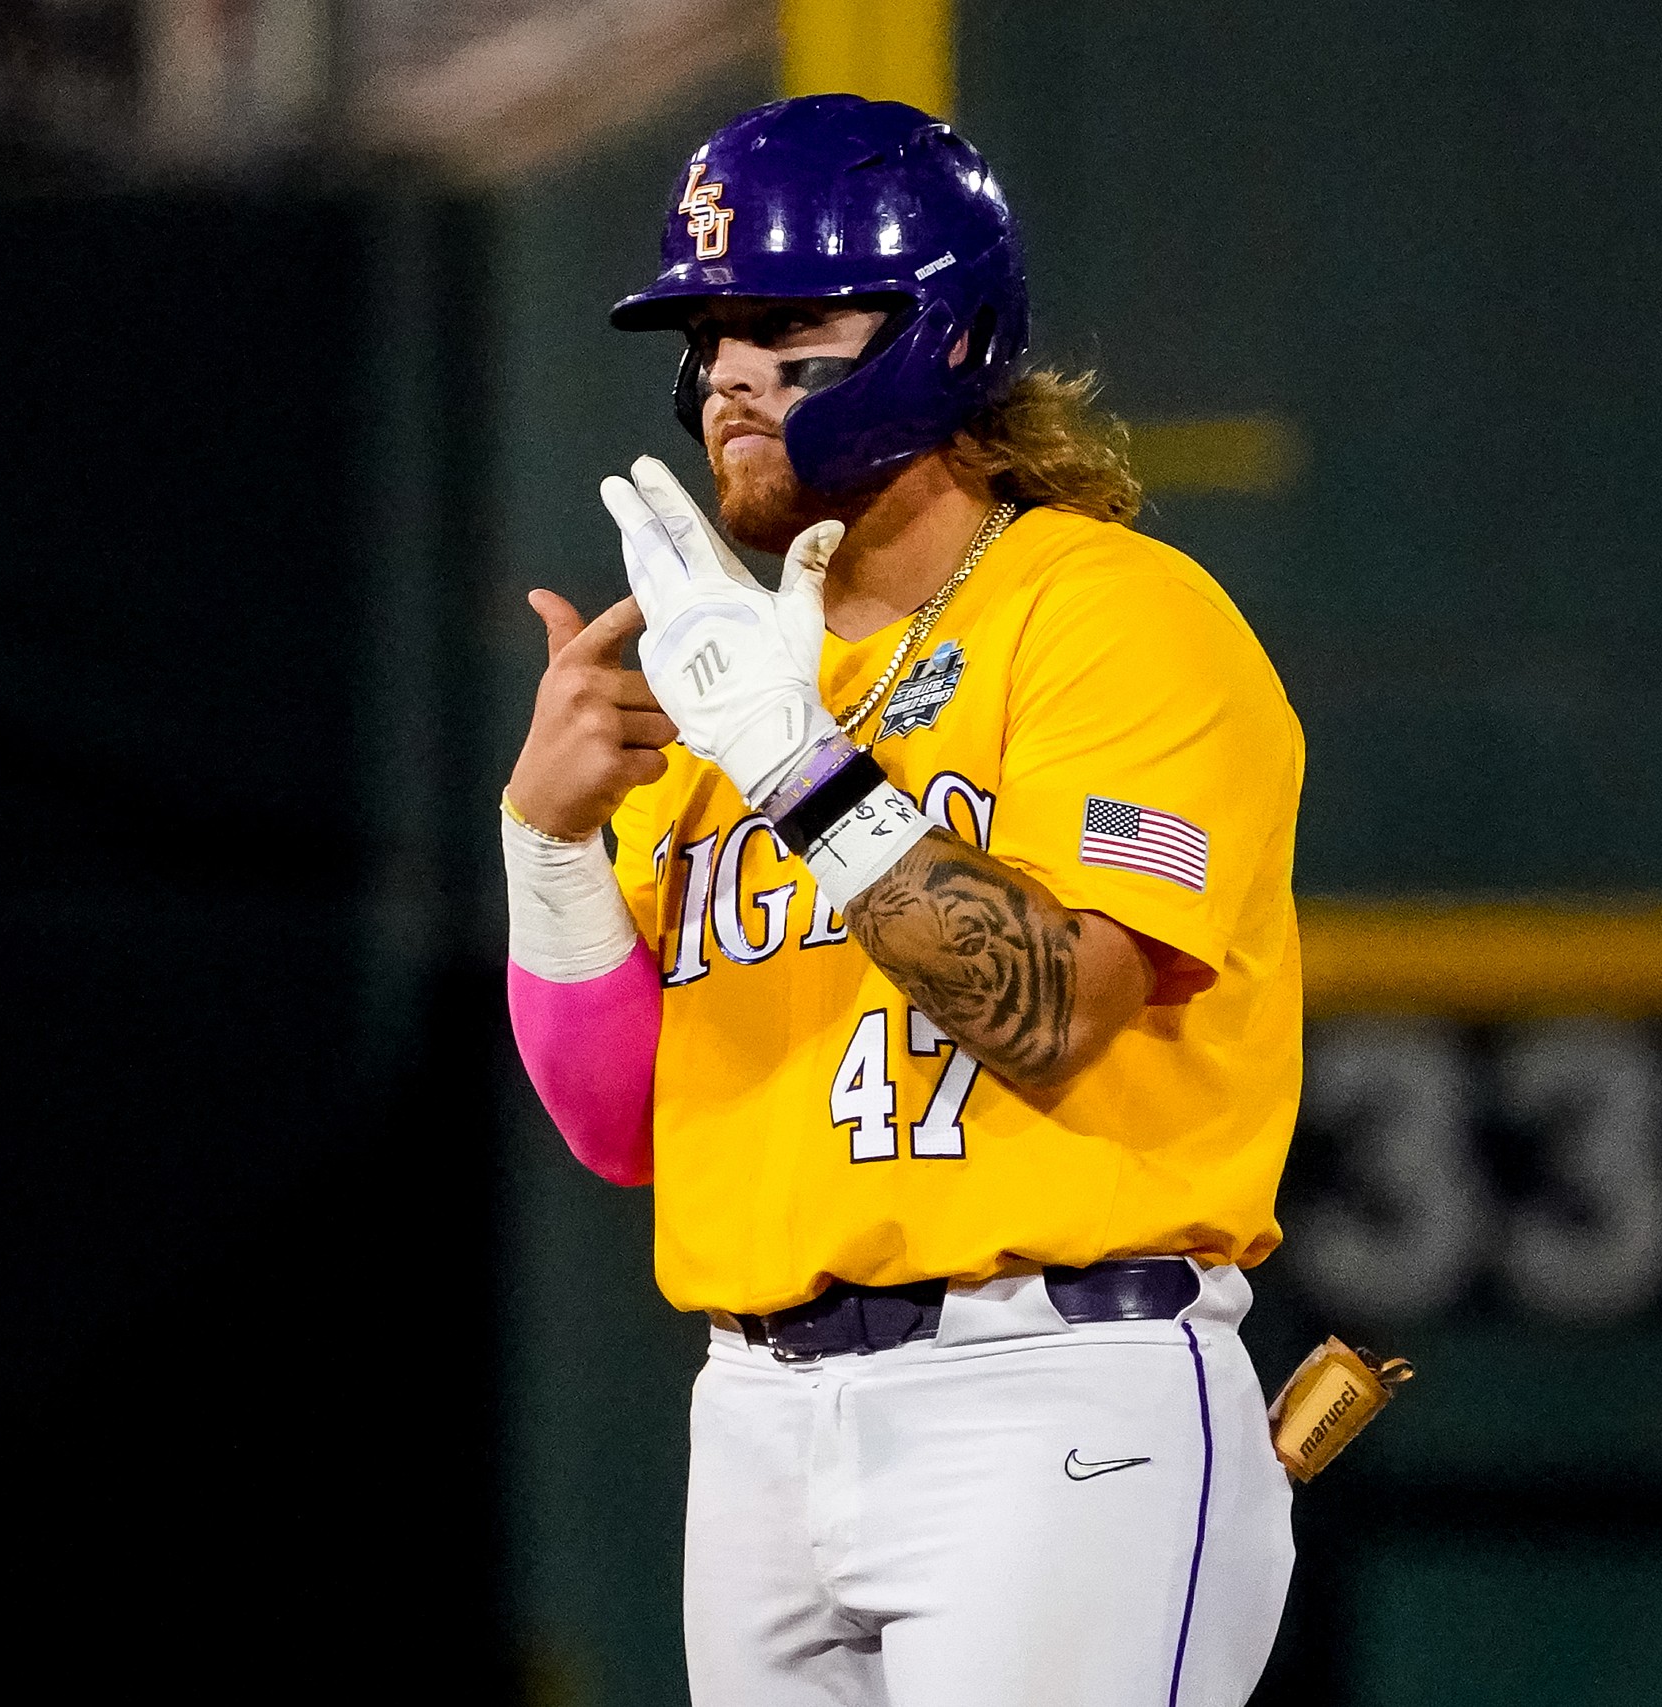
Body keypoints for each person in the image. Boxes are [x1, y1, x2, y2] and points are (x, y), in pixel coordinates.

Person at [499, 95, 1306, 1706]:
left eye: (784, 322)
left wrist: (801, 767)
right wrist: (549, 840)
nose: (728, 370)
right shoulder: (727, 684)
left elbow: (1060, 1008)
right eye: (711, 329)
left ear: (935, 328)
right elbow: (621, 1125)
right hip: (755, 1417)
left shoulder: (1110, 615)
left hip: (1055, 1387)